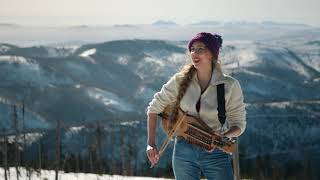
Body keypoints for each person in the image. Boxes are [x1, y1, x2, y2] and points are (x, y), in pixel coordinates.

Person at [146, 32, 246, 180]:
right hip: (183, 150)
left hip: (216, 152)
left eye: (200, 48)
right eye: (192, 49)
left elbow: (239, 124)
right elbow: (154, 108)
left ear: (212, 54)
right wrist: (151, 144)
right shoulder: (179, 80)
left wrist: (225, 135)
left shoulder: (229, 86)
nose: (194, 53)